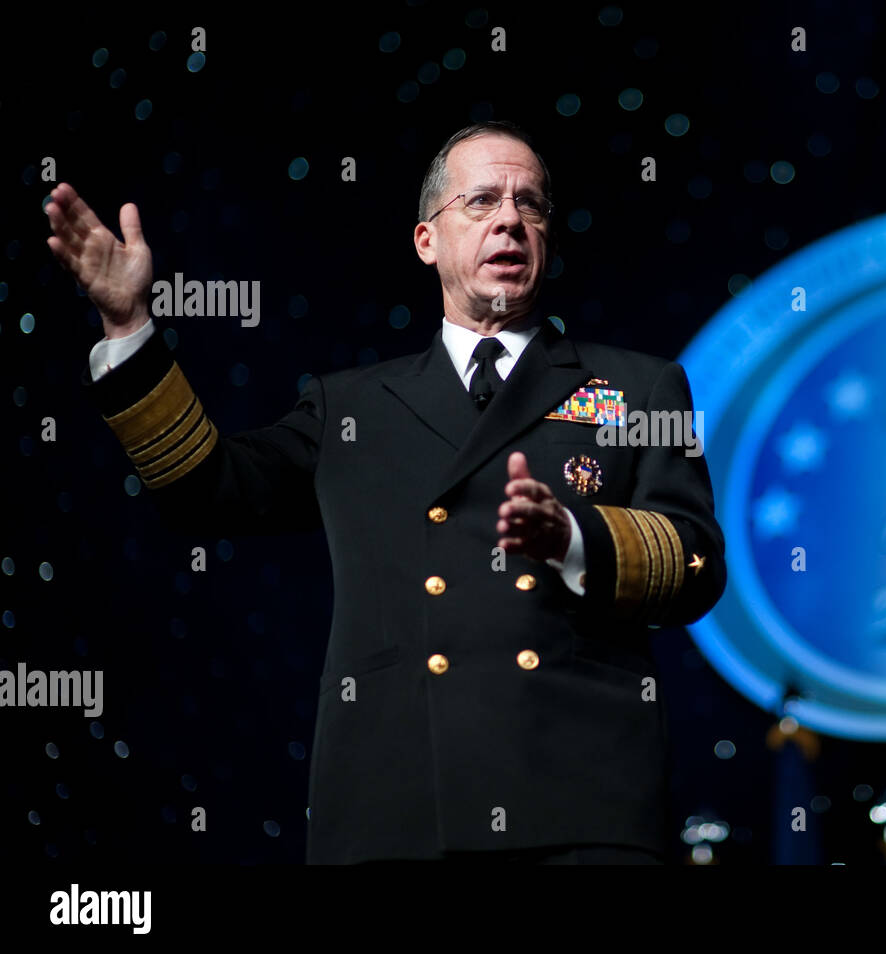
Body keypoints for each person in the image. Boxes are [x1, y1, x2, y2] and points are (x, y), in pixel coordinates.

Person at [44, 120, 727, 865]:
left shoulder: (635, 386)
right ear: (425, 241)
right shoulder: (352, 407)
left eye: (530, 206)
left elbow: (696, 564)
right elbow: (208, 489)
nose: (509, 219)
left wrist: (573, 538)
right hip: (394, 811)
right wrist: (129, 325)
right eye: (481, 201)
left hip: (578, 806)